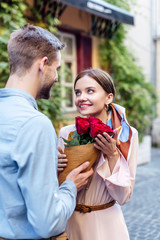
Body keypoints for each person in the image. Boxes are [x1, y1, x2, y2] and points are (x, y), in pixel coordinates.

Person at [0, 24, 93, 240]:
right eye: (57, 69)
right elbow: (47, 223)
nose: (58, 78)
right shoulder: (35, 124)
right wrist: (70, 186)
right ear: (43, 64)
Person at [58, 68, 139, 240]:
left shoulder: (125, 136)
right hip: (70, 223)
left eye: (90, 91)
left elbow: (123, 196)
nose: (81, 98)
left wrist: (112, 156)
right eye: (77, 92)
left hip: (106, 226)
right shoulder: (66, 134)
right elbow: (55, 186)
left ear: (108, 97)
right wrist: (54, 167)